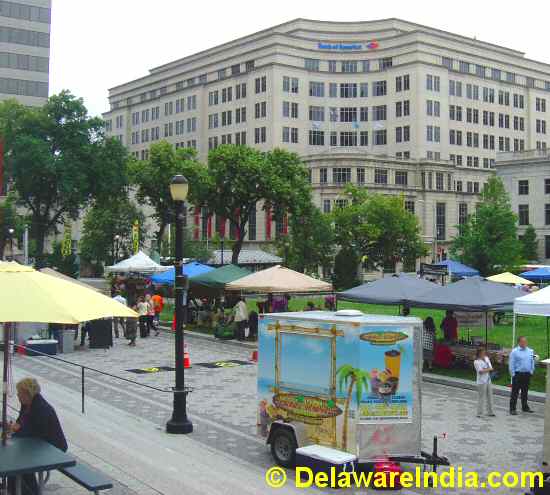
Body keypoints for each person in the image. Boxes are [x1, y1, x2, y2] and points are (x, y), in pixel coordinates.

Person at [7, 378, 67, 495]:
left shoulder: (41, 408)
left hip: (52, 448)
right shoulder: (26, 404)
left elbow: (34, 433)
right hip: (37, 444)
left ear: (27, 393)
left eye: (20, 393)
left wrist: (15, 431)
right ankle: (17, 490)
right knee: (16, 462)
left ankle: (24, 491)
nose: (18, 395)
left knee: (18, 462)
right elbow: (21, 422)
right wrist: (14, 428)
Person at [509, 336, 535, 415]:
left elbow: (532, 361)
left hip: (527, 374)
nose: (524, 343)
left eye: (525, 341)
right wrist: (513, 374)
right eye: (523, 342)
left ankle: (525, 407)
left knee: (525, 392)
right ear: (519, 342)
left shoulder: (530, 351)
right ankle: (512, 408)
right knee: (515, 392)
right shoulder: (514, 352)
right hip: (518, 374)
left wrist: (531, 371)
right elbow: (511, 364)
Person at [474, 348, 495, 418]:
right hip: (481, 381)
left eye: (484, 352)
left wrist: (486, 369)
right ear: (479, 353)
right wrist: (487, 369)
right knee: (481, 397)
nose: (484, 354)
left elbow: (491, 368)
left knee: (490, 396)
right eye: (483, 353)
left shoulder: (486, 358)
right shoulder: (476, 362)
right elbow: (480, 371)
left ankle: (490, 412)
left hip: (488, 380)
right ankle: (479, 413)